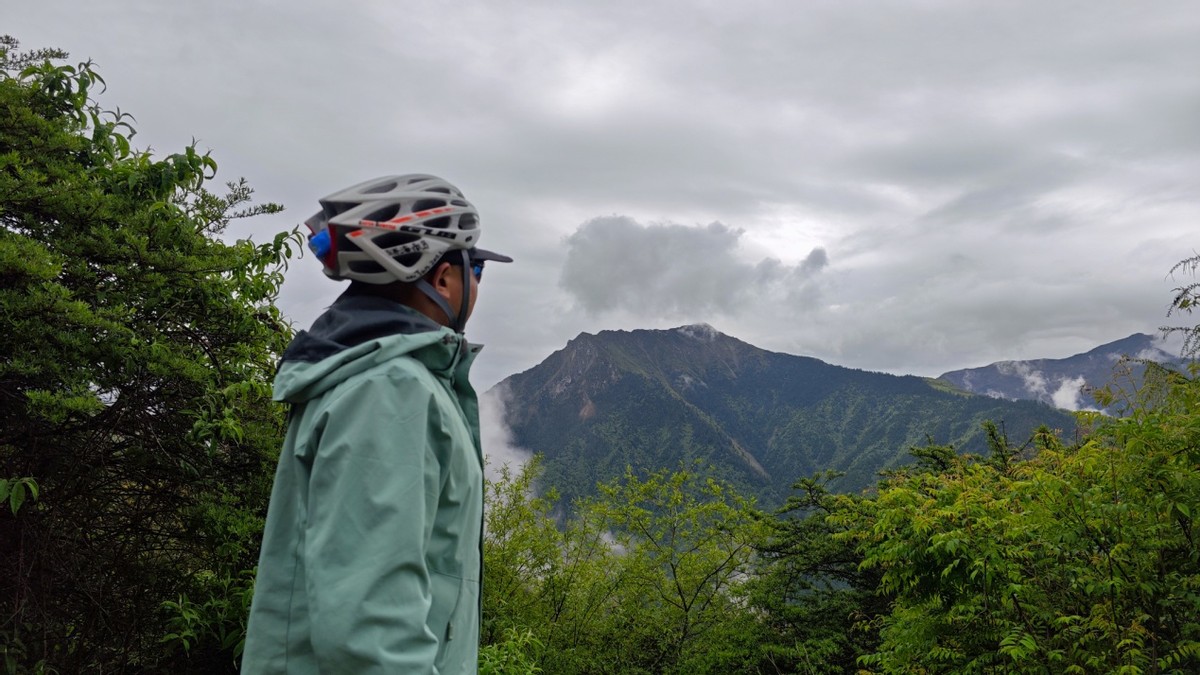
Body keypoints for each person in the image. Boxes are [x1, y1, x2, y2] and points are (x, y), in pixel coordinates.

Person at [241, 174, 511, 674]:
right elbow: (370, 623)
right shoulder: (388, 391)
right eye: (476, 267)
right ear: (444, 277)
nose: (477, 284)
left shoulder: (379, 378)